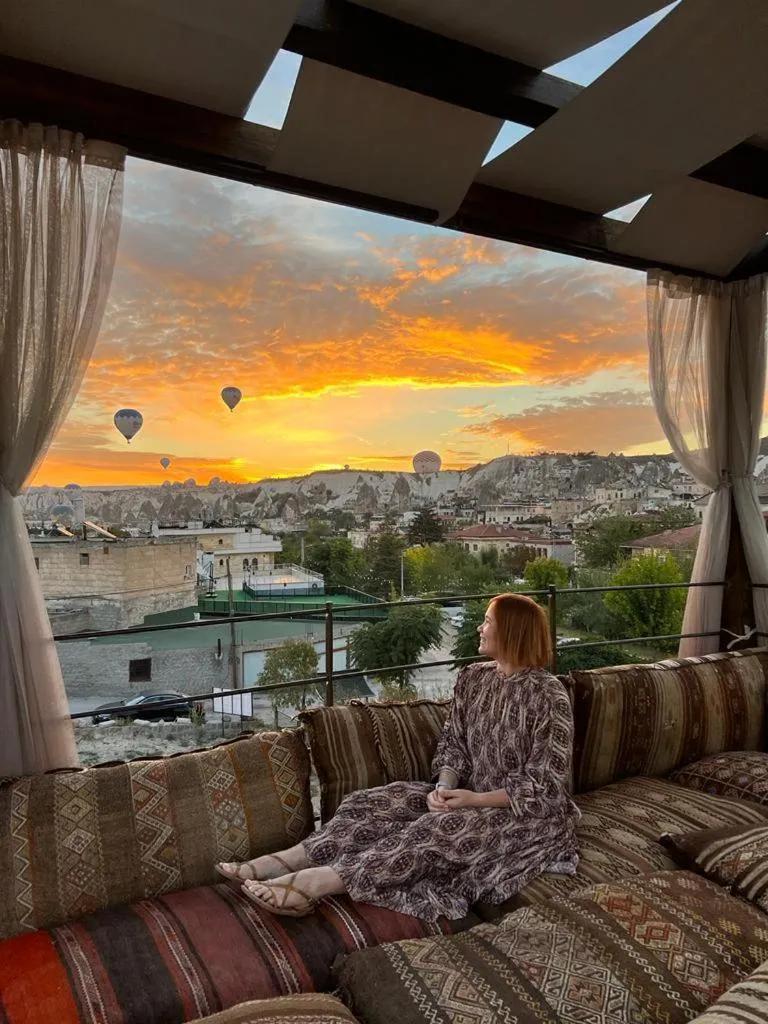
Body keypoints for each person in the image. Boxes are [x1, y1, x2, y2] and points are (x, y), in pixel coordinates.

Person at [215, 593, 580, 921]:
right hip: (464, 795)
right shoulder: (473, 679)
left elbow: (544, 786)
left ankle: (312, 885)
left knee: (434, 830)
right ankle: (288, 859)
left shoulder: (549, 696)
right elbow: (454, 742)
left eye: (488, 622)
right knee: (375, 803)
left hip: (525, 817)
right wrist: (444, 787)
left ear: (512, 633)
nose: (479, 628)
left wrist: (472, 800)